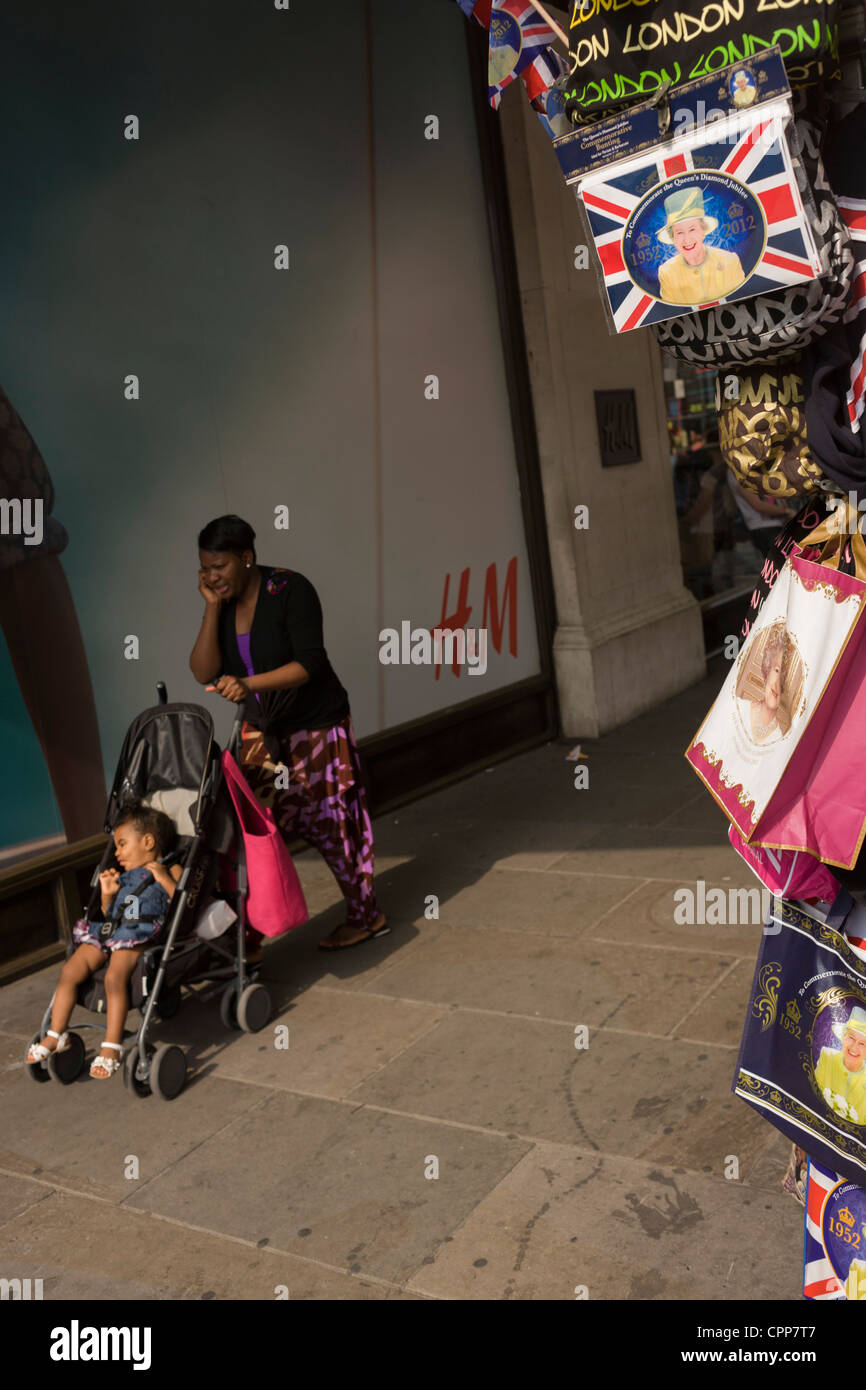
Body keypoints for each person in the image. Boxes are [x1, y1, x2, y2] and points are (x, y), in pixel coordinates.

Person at [189, 515, 387, 952]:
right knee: (253, 833)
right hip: (261, 732)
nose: (211, 576)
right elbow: (203, 669)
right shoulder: (221, 605)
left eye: (219, 567)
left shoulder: (290, 590)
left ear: (247, 558)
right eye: (204, 568)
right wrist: (210, 606)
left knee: (332, 826)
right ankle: (251, 937)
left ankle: (366, 916)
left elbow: (309, 663)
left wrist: (249, 685)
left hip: (316, 726)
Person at [25, 803, 182, 1078]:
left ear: (148, 841)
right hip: (112, 930)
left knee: (113, 978)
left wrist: (166, 879)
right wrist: (108, 895)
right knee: (70, 970)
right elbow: (116, 914)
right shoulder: (125, 877)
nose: (117, 853)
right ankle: (56, 1033)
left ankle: (112, 1046)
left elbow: (182, 906)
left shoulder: (172, 868)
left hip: (139, 936)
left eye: (122, 845)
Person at [656, 188, 745, 306]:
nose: (687, 240)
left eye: (692, 229)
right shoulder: (667, 273)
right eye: (679, 233)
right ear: (673, 239)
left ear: (703, 231)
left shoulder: (730, 261)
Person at [736, 628, 789, 746]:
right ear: (767, 670)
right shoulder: (740, 708)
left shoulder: (780, 739)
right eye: (777, 670)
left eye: (785, 677)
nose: (777, 684)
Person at [815, 1008, 866, 1124]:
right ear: (843, 1037)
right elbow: (814, 1093)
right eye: (851, 1038)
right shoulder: (827, 1056)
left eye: (862, 1044)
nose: (854, 1047)